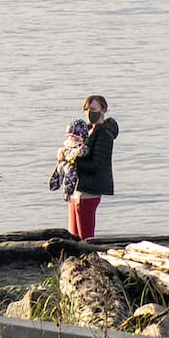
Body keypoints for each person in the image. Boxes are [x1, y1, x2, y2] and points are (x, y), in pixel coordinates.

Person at [66, 95, 118, 239]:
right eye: (87, 109)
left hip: (89, 191)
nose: (90, 113)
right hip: (77, 190)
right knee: (73, 236)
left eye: (94, 109)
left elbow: (96, 165)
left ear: (103, 110)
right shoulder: (87, 131)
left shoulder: (104, 134)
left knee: (86, 238)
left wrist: (74, 161)